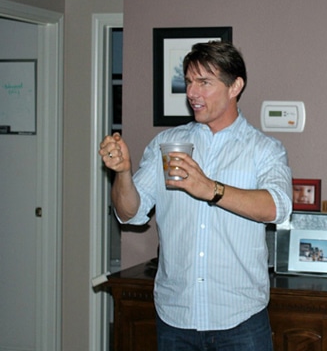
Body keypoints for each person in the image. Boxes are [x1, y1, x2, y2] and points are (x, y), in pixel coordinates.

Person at [99, 41, 292, 351]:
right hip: (176, 318)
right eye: (189, 82)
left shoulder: (264, 150)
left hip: (240, 320)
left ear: (235, 87)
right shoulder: (167, 143)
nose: (191, 92)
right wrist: (122, 173)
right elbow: (129, 212)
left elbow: (277, 207)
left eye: (204, 82)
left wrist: (210, 189)